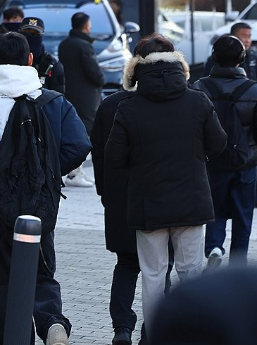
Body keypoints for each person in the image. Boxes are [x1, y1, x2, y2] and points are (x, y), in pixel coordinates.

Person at [0, 32, 90, 345]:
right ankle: (52, 322)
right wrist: (48, 173)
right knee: (41, 270)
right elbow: (79, 144)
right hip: (41, 203)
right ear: (30, 60)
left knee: (3, 277)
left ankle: (16, 339)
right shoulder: (55, 102)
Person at [105, 34, 227, 338]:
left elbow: (113, 157)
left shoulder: (129, 106)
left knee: (153, 275)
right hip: (191, 199)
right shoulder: (197, 98)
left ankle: (157, 336)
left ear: (137, 66)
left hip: (148, 203)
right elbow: (219, 142)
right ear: (177, 62)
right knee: (191, 274)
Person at [92, 74, 173, 345]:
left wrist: (105, 192)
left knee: (126, 265)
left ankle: (122, 328)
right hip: (162, 200)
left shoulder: (110, 104)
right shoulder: (175, 104)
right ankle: (154, 331)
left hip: (121, 200)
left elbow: (99, 154)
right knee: (161, 268)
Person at [194, 35, 257, 268]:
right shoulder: (254, 90)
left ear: (214, 57)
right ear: (242, 58)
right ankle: (238, 264)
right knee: (243, 215)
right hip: (246, 163)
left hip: (212, 162)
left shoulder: (199, 88)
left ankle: (213, 247)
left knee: (215, 209)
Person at [58, 12, 104, 187]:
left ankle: (75, 172)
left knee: (72, 130)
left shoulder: (65, 44)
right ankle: (75, 173)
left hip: (70, 92)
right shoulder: (84, 46)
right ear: (86, 26)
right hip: (86, 96)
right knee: (84, 133)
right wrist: (101, 79)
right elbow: (95, 73)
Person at [20, 17, 65, 93]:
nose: (31, 37)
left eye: (35, 34)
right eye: (27, 32)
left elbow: (58, 95)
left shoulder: (51, 64)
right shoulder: (11, 59)